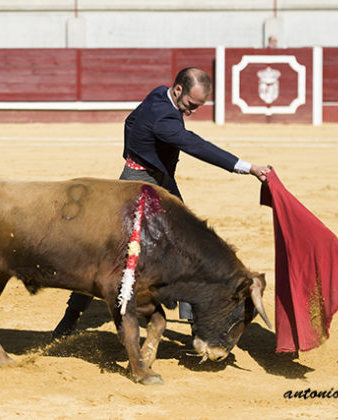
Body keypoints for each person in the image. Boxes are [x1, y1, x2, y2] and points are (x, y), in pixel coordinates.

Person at [51, 67, 271, 339]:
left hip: (159, 179)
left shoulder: (158, 94)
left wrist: (134, 153)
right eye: (191, 105)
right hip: (137, 184)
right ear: (178, 90)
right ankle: (70, 317)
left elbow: (130, 122)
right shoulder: (164, 118)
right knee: (109, 252)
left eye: (198, 106)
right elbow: (196, 145)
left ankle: (193, 323)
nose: (191, 112)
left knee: (190, 246)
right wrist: (246, 168)